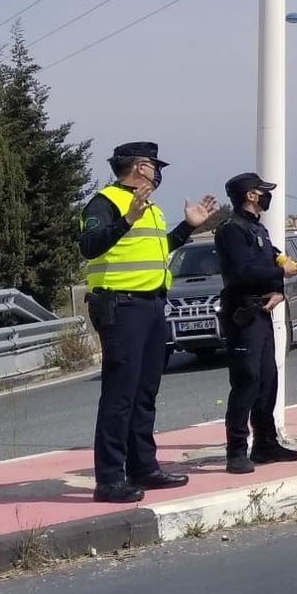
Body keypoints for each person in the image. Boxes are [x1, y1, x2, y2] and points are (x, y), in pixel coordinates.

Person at [78, 143, 215, 503]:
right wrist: (126, 220)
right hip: (121, 307)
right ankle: (109, 478)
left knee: (144, 393)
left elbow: (159, 250)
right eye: (154, 166)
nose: (157, 172)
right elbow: (89, 245)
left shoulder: (149, 208)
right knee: (119, 395)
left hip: (152, 305)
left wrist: (187, 227)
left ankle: (143, 467)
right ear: (140, 167)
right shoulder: (105, 202)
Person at [214, 172, 297, 474]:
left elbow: (269, 260)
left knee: (268, 378)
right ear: (250, 195)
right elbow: (242, 272)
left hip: (262, 311)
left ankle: (265, 443)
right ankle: (236, 449)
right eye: (262, 191)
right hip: (242, 312)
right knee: (247, 380)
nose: (267, 196)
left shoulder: (257, 228)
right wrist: (280, 274)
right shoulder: (231, 230)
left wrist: (278, 286)